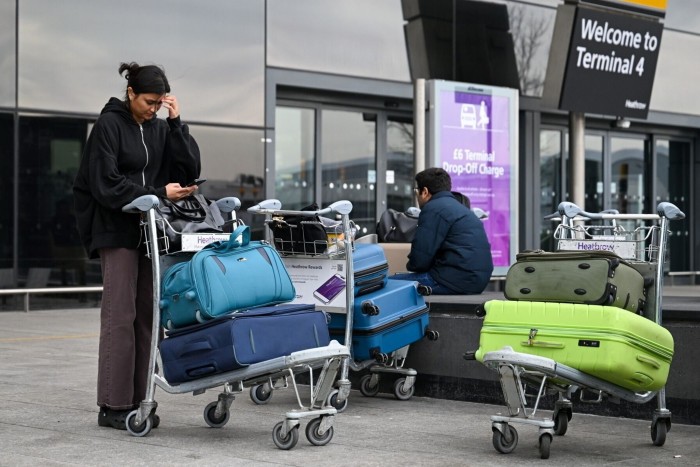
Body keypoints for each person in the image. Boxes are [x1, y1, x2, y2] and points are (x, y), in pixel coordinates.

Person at [73, 62, 201, 429]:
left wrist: (177, 125)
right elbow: (105, 183)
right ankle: (113, 405)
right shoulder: (109, 126)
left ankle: (141, 400)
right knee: (120, 316)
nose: (154, 108)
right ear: (130, 93)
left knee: (149, 315)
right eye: (149, 101)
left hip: (150, 232)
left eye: (161, 103)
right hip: (116, 230)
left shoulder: (161, 128)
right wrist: (158, 192)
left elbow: (188, 170)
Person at [392, 167, 493, 294]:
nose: (417, 196)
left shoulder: (433, 209)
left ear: (425, 191)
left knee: (388, 284)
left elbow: (420, 261)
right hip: (478, 282)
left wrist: (411, 266)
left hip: (451, 281)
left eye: (416, 191)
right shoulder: (461, 208)